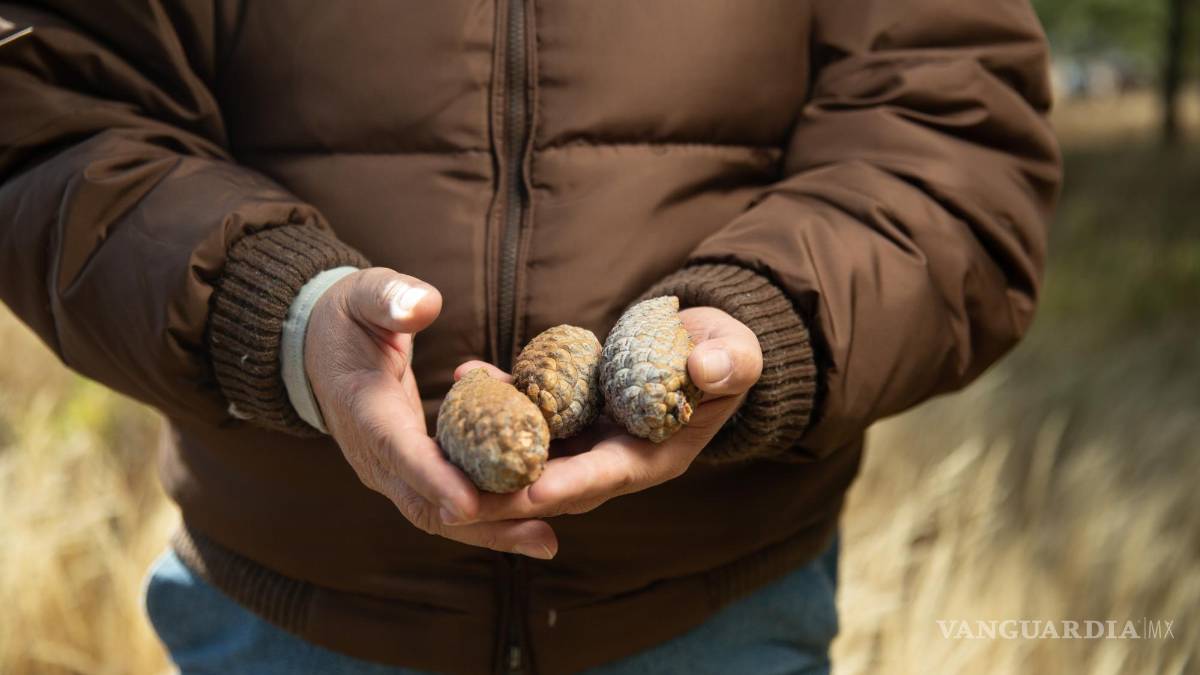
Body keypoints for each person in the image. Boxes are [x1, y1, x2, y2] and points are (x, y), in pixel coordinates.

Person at [0, 2, 1061, 674]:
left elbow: (951, 137)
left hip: (713, 609)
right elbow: (53, 113)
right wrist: (280, 316)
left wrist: (765, 320)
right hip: (292, 612)